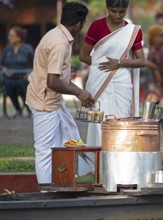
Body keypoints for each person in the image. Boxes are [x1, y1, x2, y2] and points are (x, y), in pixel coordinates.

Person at [26, 2, 95, 184]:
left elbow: (60, 78)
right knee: (45, 151)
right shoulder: (60, 43)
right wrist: (78, 93)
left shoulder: (57, 35)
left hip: (53, 101)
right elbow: (53, 81)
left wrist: (79, 91)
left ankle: (71, 181)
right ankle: (46, 191)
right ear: (79, 24)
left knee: (70, 139)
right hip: (45, 103)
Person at [80, 0, 146, 146]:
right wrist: (101, 66)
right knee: (99, 121)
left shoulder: (132, 31)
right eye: (113, 11)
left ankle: (120, 161)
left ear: (126, 10)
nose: (117, 15)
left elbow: (142, 61)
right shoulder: (97, 26)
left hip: (122, 82)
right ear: (107, 8)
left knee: (122, 121)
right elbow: (83, 56)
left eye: (121, 11)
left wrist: (118, 63)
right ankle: (98, 161)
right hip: (99, 79)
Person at [0, 26, 34, 118]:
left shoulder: (27, 48)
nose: (9, 37)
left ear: (18, 38)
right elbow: (1, 63)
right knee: (9, 85)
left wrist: (29, 73)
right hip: (10, 77)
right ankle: (18, 109)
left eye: (11, 35)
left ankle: (29, 110)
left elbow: (36, 62)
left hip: (24, 76)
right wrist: (5, 70)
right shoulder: (7, 49)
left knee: (23, 85)